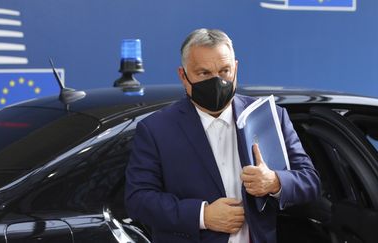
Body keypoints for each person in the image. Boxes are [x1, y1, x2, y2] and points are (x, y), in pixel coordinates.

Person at [125, 28, 320, 243]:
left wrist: (274, 182)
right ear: (183, 75)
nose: (217, 81)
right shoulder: (156, 129)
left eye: (225, 71)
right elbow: (138, 200)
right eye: (204, 73)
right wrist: (202, 216)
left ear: (236, 68)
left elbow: (309, 181)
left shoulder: (269, 116)